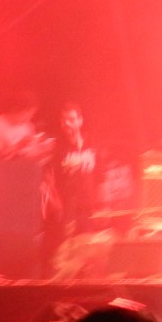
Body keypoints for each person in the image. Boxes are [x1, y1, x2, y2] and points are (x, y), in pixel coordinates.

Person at [40, 102, 100, 277]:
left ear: (80, 121)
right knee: (65, 251)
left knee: (87, 250)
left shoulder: (91, 143)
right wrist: (55, 204)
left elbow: (100, 174)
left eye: (72, 119)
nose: (67, 123)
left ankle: (85, 284)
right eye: (64, 120)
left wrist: (102, 204)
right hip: (67, 209)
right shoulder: (57, 147)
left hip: (88, 207)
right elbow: (47, 180)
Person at [0, 91, 52, 160]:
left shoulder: (26, 125)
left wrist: (42, 147)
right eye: (27, 114)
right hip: (10, 165)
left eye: (32, 115)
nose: (28, 118)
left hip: (29, 163)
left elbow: (32, 148)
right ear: (15, 109)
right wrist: (18, 146)